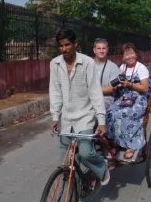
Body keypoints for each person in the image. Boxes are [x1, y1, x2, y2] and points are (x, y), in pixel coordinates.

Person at [49, 29, 110, 185]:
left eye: (67, 45)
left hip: (85, 116)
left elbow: (95, 92)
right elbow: (55, 91)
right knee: (66, 162)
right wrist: (55, 117)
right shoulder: (55, 64)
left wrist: (101, 120)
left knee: (84, 153)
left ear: (75, 44)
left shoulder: (87, 62)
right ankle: (74, 191)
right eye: (61, 46)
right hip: (66, 118)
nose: (64, 49)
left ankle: (101, 168)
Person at [106, 42, 149, 159]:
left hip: (138, 99)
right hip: (125, 98)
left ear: (135, 54)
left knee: (124, 114)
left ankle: (131, 145)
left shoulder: (141, 68)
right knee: (110, 113)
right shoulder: (122, 68)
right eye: (126, 55)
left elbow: (145, 88)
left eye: (131, 53)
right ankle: (114, 143)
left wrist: (130, 84)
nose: (129, 57)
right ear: (123, 57)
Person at [93, 38, 120, 109]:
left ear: (107, 50)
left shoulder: (113, 67)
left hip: (105, 99)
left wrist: (93, 91)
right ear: (94, 50)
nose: (101, 51)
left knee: (92, 110)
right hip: (87, 98)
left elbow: (113, 88)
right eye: (99, 48)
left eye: (103, 48)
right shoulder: (87, 64)